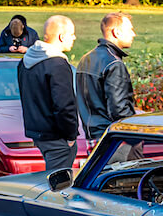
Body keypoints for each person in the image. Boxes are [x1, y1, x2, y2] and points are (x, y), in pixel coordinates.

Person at [18, 15, 78, 172]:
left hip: (38, 132)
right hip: (56, 136)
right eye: (72, 34)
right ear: (61, 36)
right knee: (58, 184)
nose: (74, 38)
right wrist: (71, 136)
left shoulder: (25, 61)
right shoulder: (57, 64)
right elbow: (64, 105)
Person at [77, 12, 137, 142]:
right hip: (114, 140)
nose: (134, 34)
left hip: (93, 138)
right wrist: (134, 139)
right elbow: (119, 110)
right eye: (130, 30)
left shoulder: (85, 59)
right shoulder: (114, 63)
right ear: (116, 32)